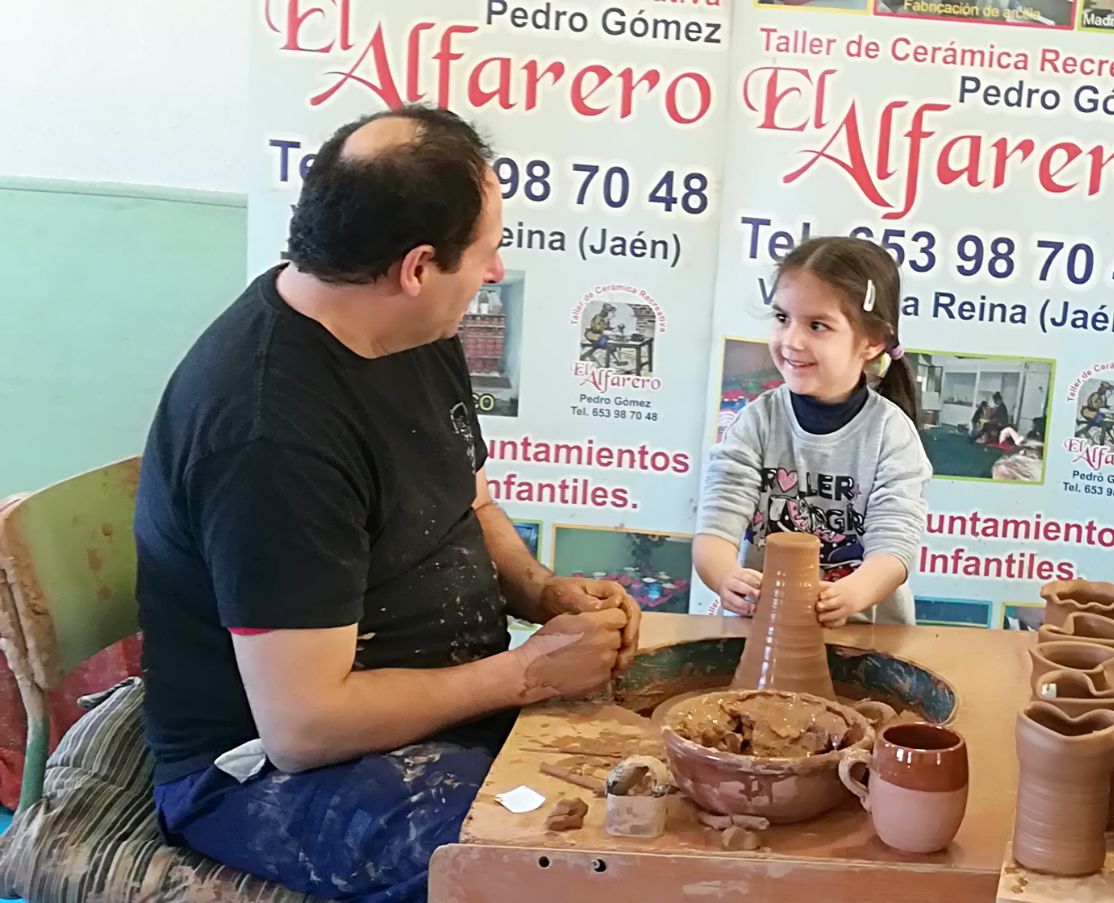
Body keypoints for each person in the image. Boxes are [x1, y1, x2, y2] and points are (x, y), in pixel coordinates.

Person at [133, 105, 640, 903]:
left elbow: (471, 504)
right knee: (559, 868)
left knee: (661, 792)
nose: (496, 270)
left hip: (434, 702)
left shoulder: (412, 330)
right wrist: (524, 673)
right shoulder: (271, 435)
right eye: (488, 249)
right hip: (263, 767)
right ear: (416, 268)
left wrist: (543, 592)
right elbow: (303, 728)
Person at [693, 237, 932, 627]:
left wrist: (851, 594)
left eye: (818, 325)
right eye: (782, 317)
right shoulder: (755, 423)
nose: (791, 340)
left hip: (865, 635)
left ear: (872, 341)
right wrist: (725, 577)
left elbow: (895, 547)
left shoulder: (891, 434)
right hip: (764, 629)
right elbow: (715, 530)